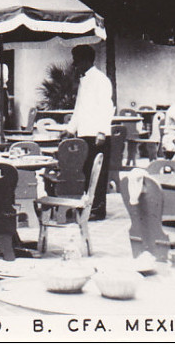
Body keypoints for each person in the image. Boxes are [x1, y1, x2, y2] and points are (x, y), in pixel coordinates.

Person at [65, 45, 114, 220]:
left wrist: (102, 132)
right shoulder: (84, 81)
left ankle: (98, 209)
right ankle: (87, 206)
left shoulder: (101, 80)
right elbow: (79, 108)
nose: (75, 64)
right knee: (85, 172)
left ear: (86, 60)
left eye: (76, 61)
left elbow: (107, 108)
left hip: (97, 135)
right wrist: (70, 130)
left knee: (97, 174)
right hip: (84, 133)